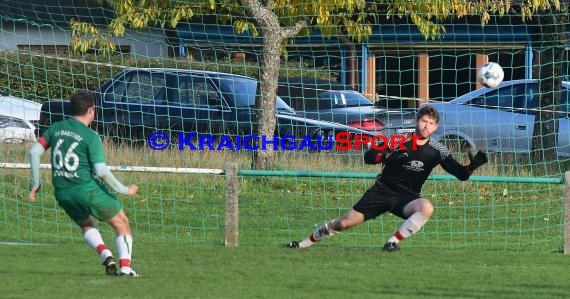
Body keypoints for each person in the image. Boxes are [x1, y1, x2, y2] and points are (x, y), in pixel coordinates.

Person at [287, 105, 488, 251]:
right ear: (417, 121)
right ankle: (304, 243)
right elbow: (368, 157)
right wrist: (386, 156)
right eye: (424, 121)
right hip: (381, 192)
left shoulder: (438, 150)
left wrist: (473, 166)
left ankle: (392, 242)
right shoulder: (398, 140)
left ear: (435, 128)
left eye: (431, 123)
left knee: (426, 207)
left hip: (407, 198)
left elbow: (461, 174)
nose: (426, 126)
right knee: (343, 223)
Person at [28, 90, 140, 277]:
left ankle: (105, 254)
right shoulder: (90, 136)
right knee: (122, 223)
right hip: (87, 190)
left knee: (87, 224)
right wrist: (124, 189)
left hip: (63, 192)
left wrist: (36, 183)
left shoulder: (56, 128)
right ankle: (126, 269)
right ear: (90, 110)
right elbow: (101, 171)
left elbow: (34, 152)